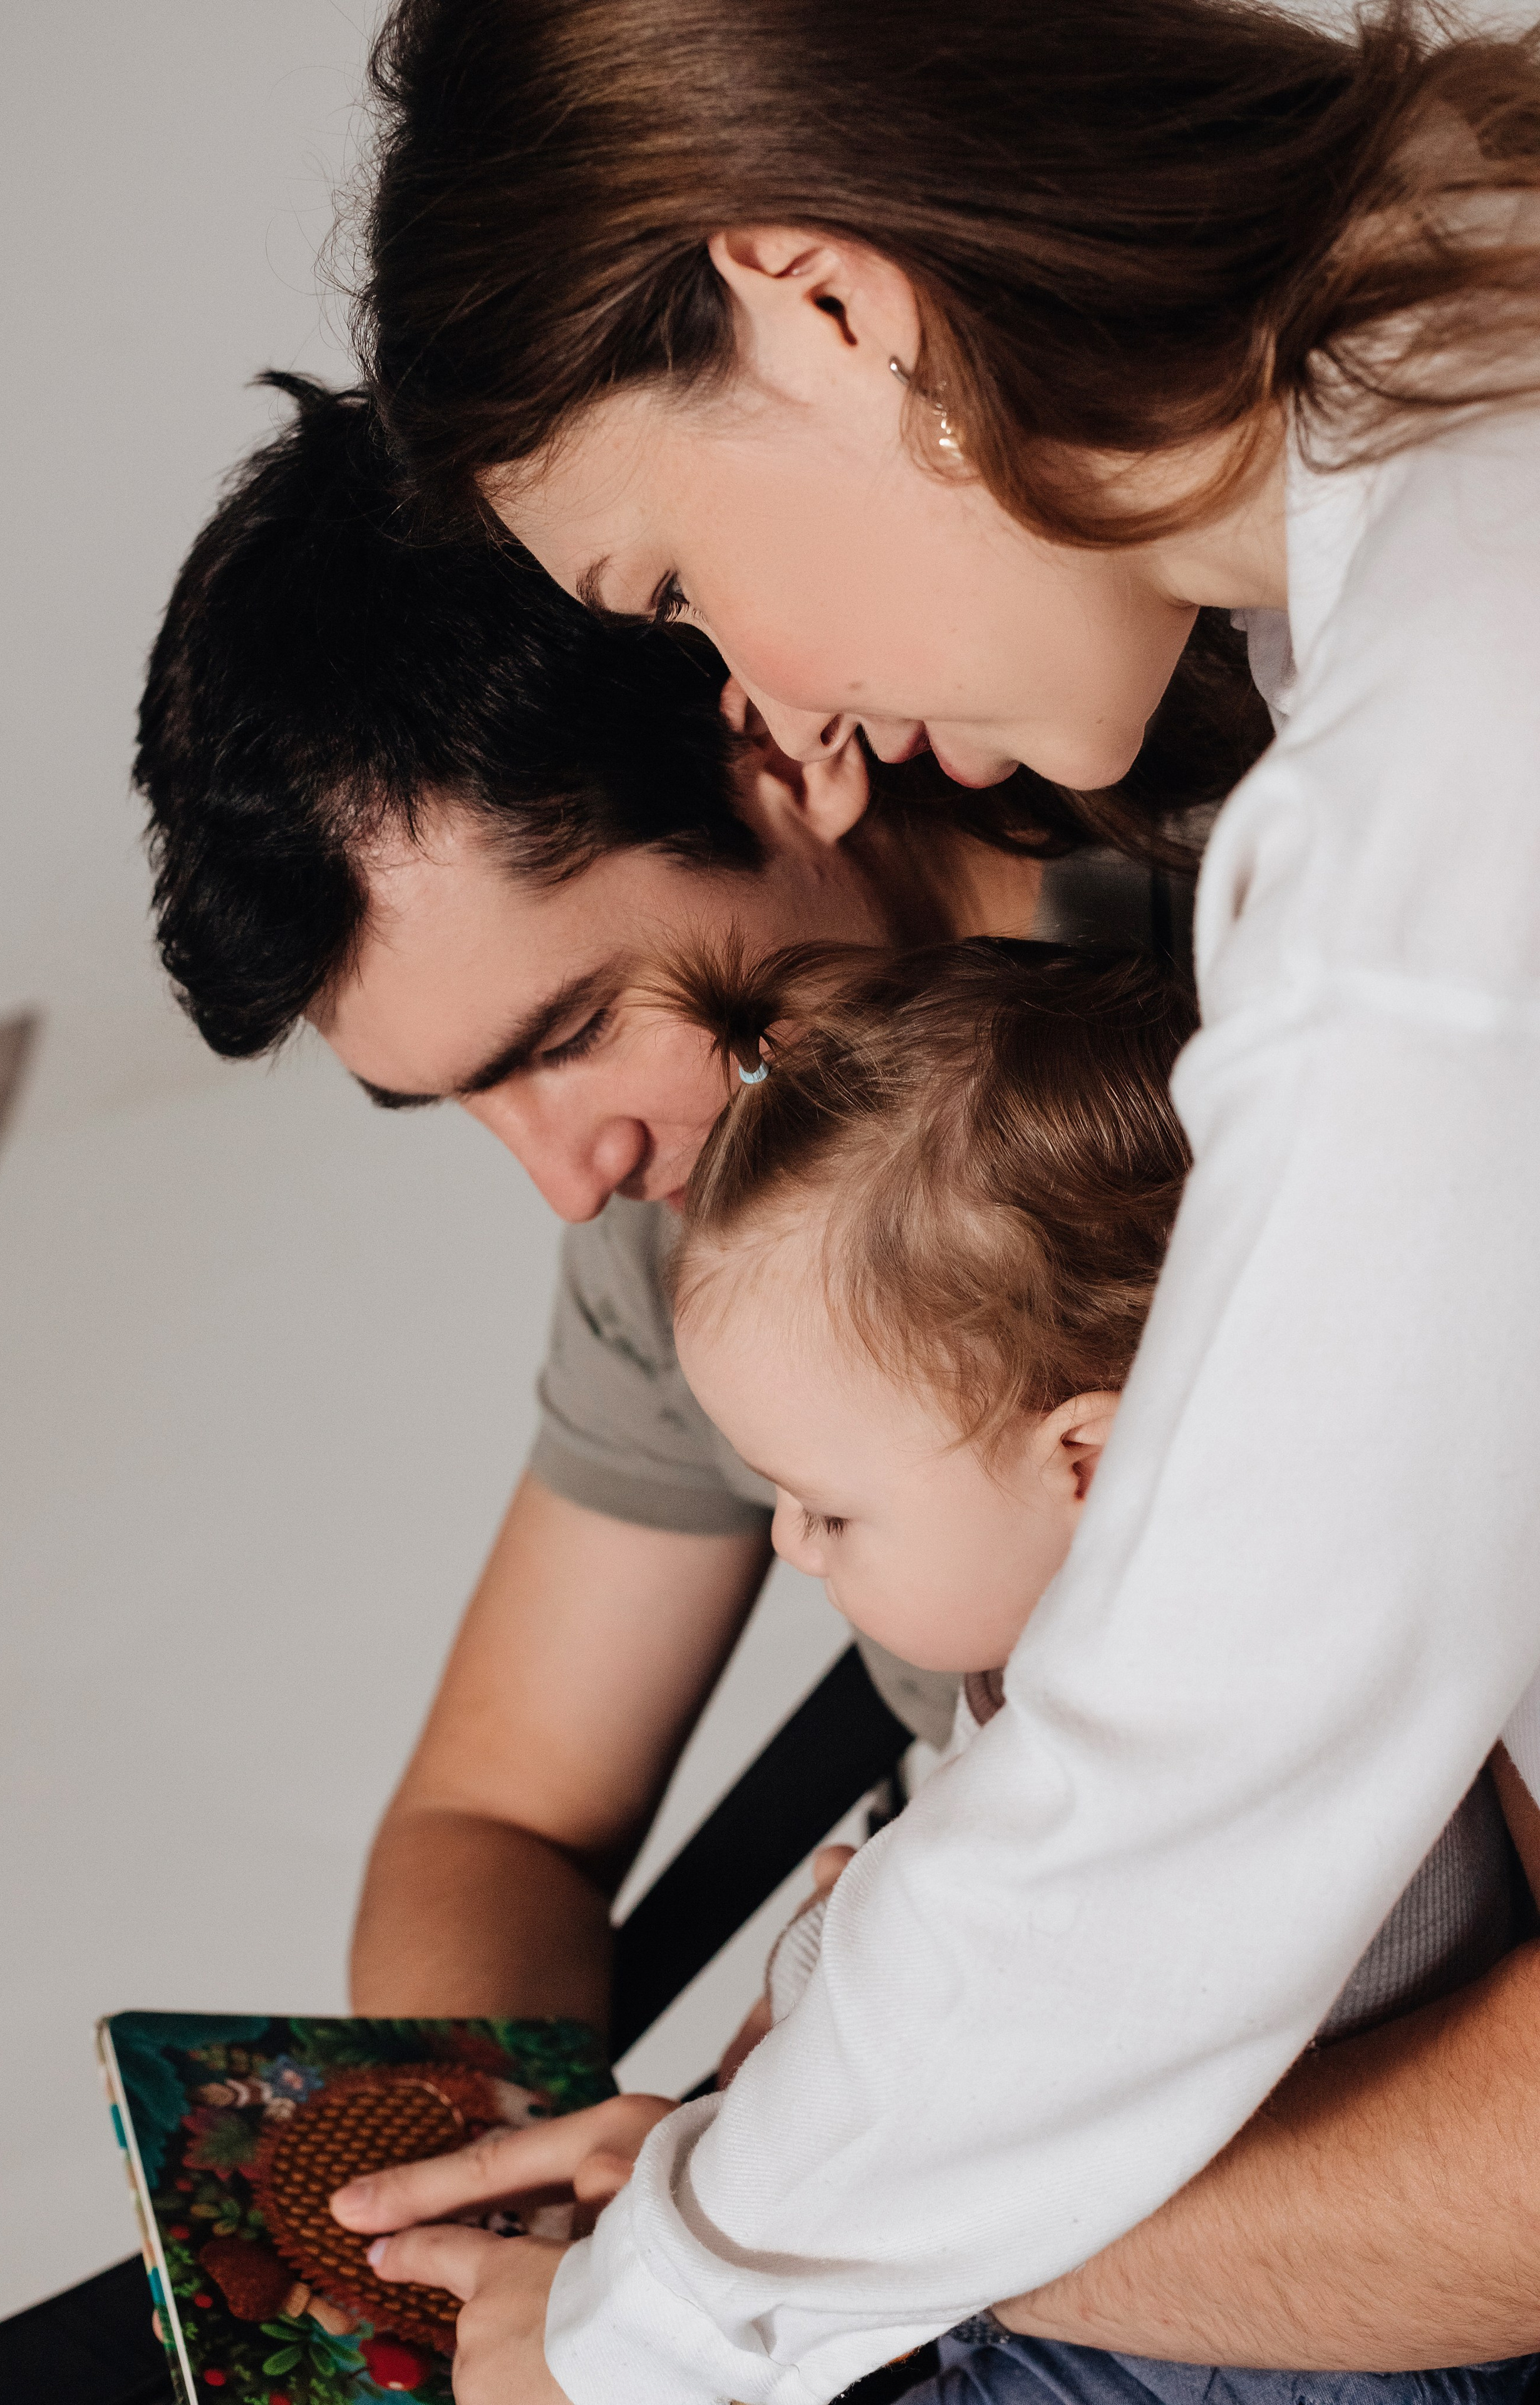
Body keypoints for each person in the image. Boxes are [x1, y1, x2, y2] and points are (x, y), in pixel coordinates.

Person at [342, 1, 1540, 2397]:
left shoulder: (1434, 803)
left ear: (826, 297)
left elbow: (1204, 1742)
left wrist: (662, 2305)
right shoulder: (1423, 475)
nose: (775, 706)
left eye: (672, 582)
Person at [348, 934, 1539, 2405]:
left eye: (829, 1507)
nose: (789, 1543)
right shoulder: (1186, 1609)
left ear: (1088, 1462)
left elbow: (892, 2071)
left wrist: (612, 2336)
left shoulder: (1190, 1715)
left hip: (1281, 2347)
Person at [135, 372, 1186, 2035]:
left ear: (773, 745)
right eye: (455, 1102)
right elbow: (497, 1818)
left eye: (566, 1036)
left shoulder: (1258, 1000)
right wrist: (522, 2175)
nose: (569, 1181)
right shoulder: (693, 1200)